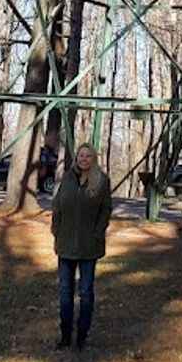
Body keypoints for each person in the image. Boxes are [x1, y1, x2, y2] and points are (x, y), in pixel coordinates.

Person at [50, 142, 112, 351]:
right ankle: (65, 336)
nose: (83, 159)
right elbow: (57, 205)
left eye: (87, 156)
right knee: (65, 292)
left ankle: (82, 337)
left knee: (86, 292)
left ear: (93, 159)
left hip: (88, 247)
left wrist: (97, 233)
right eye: (80, 156)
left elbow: (106, 210)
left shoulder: (101, 181)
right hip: (66, 245)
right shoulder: (67, 179)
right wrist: (56, 230)